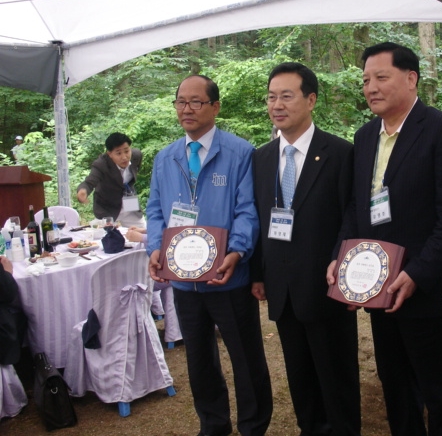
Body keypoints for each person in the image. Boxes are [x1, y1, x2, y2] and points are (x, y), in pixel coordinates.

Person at [327, 42, 442, 436]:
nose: (370, 87)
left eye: (380, 77)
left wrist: (418, 273)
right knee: (396, 388)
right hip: (379, 289)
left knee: (441, 390)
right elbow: (356, 208)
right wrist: (343, 257)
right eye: (365, 80)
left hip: (424, 291)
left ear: (411, 79)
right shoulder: (364, 136)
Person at [146, 75, 272, 436]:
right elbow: (155, 210)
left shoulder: (240, 153)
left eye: (196, 102)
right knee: (199, 360)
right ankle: (213, 424)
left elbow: (248, 209)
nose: (187, 109)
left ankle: (253, 427)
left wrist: (237, 251)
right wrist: (155, 247)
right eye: (180, 102)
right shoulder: (165, 158)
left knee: (246, 359)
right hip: (185, 283)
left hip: (229, 277)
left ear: (215, 107)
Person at [251, 63, 360, 436]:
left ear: (311, 100)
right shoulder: (261, 158)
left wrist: (345, 272)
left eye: (286, 96)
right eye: (270, 97)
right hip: (282, 288)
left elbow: (352, 217)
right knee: (300, 378)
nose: (276, 105)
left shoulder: (341, 153)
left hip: (326, 287)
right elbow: (259, 221)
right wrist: (259, 274)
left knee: (336, 377)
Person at [76, 132, 145, 227]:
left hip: (130, 203)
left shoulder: (136, 156)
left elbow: (134, 172)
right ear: (110, 154)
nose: (124, 157)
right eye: (118, 153)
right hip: (108, 208)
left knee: (143, 233)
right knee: (107, 239)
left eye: (126, 151)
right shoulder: (101, 164)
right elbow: (89, 182)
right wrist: (83, 191)